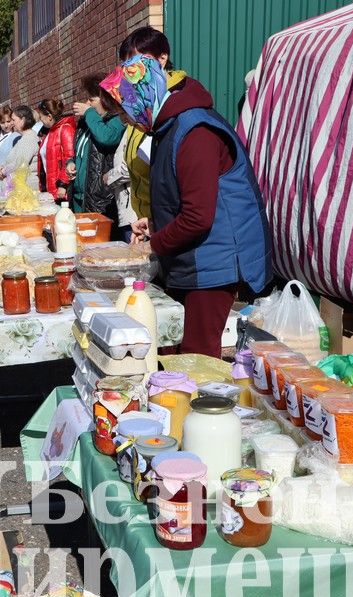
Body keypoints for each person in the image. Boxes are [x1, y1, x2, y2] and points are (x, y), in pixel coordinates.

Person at [103, 51, 272, 358]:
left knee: (197, 357)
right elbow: (184, 196)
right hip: (195, 257)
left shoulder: (196, 132)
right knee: (176, 348)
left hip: (214, 262)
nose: (124, 119)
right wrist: (156, 224)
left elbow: (198, 216)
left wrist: (152, 245)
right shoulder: (167, 127)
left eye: (123, 110)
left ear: (142, 97)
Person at [116, 26, 184, 221]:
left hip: (169, 224)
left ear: (162, 58)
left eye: (136, 61)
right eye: (125, 63)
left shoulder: (173, 102)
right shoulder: (138, 105)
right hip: (144, 220)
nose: (129, 70)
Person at [71, 74, 125, 215]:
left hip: (100, 199)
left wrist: (89, 113)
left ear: (104, 99)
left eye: (91, 100)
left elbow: (106, 137)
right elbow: (78, 152)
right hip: (79, 197)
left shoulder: (116, 119)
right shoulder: (86, 123)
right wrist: (70, 163)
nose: (88, 104)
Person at [36, 98, 76, 201]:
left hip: (60, 191)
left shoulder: (65, 129)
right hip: (49, 189)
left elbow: (69, 158)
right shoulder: (48, 133)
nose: (40, 121)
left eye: (41, 117)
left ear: (49, 116)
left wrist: (62, 185)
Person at [1, 105, 40, 193]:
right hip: (21, 190)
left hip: (27, 191)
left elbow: (19, 164)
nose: (11, 123)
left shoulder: (29, 139)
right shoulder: (24, 138)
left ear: (22, 120)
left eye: (14, 120)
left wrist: (2, 171)